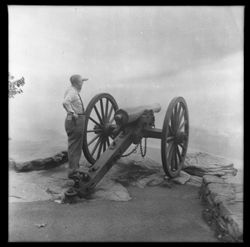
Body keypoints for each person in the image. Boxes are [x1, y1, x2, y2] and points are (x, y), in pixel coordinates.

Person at [63, 74, 88, 178]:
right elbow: (65, 102)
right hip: (75, 121)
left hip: (75, 121)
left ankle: (74, 169)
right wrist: (72, 113)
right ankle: (73, 172)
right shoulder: (73, 92)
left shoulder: (71, 90)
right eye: (81, 81)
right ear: (77, 83)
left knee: (75, 146)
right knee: (75, 147)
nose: (82, 83)